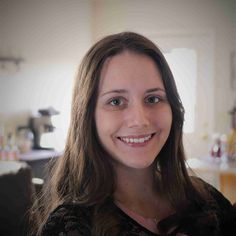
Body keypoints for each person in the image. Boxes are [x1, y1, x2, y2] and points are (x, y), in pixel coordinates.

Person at [32, 32, 236, 236]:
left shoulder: (206, 199)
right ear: (87, 116)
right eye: (116, 101)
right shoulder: (69, 226)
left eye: (153, 99)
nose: (139, 120)